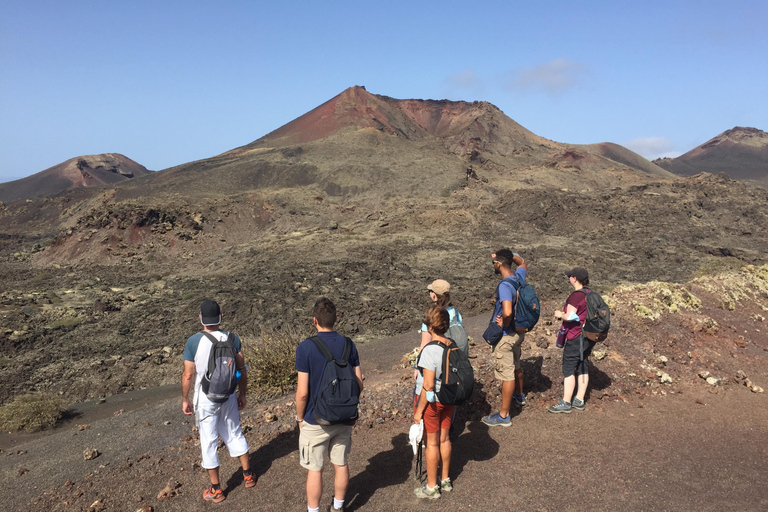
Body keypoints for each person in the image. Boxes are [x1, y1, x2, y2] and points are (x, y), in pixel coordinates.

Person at [295, 297, 364, 512]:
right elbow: (359, 383)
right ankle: (338, 507)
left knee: (315, 469)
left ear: (314, 320)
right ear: (336, 319)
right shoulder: (349, 344)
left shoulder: (305, 347)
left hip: (315, 419)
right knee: (340, 463)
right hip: (344, 416)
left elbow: (303, 393)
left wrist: (299, 418)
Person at [182, 299, 253, 503]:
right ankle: (248, 476)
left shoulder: (193, 342)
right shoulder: (233, 338)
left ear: (200, 319)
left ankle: (216, 489)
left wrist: (185, 399)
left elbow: (188, 374)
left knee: (209, 441)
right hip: (229, 395)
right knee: (234, 432)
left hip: (205, 399)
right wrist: (243, 394)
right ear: (221, 317)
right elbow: (241, 370)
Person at [413, 305, 457, 499]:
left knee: (431, 443)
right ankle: (445, 479)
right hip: (450, 398)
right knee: (445, 439)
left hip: (434, 402)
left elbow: (428, 385)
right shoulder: (451, 344)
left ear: (429, 327)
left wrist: (418, 411)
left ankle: (432, 487)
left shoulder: (430, 350)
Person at [482, 249, 528, 427]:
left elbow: (507, 310)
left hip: (506, 335)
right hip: (519, 333)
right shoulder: (519, 277)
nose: (493, 265)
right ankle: (520, 395)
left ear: (499, 264)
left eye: (494, 262)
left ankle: (503, 416)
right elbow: (523, 262)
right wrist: (509, 252)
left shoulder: (504, 285)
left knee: (506, 374)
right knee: (516, 364)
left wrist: (504, 323)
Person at [549, 267, 595, 413]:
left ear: (574, 278)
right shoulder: (590, 293)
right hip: (588, 335)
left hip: (576, 335)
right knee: (583, 365)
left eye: (570, 276)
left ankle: (566, 402)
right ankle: (579, 400)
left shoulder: (576, 296)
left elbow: (570, 316)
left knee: (568, 368)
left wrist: (559, 314)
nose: (569, 278)